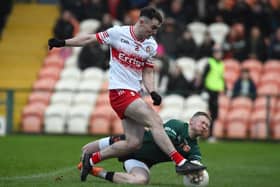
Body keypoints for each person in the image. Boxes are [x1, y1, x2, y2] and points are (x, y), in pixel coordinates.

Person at [48, 6, 205, 181]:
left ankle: (90, 160)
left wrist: (152, 91)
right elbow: (89, 39)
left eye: (157, 29)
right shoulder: (118, 33)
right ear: (142, 21)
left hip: (135, 94)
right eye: (152, 28)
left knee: (134, 143)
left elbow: (147, 71)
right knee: (156, 121)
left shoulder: (150, 45)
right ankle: (180, 162)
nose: (153, 33)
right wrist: (63, 42)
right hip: (119, 92)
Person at [78, 111, 211, 185]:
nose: (205, 126)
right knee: (85, 151)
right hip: (128, 142)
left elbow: (196, 163)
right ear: (192, 120)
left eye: (207, 126)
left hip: (140, 162)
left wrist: (197, 173)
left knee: (141, 180)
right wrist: (182, 161)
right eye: (203, 122)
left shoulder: (194, 149)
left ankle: (96, 172)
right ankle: (87, 162)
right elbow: (166, 139)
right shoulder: (177, 125)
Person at [199, 44, 226, 142]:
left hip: (216, 91)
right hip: (209, 91)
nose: (218, 54)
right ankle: (208, 135)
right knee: (210, 114)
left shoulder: (222, 64)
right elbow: (204, 77)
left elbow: (221, 78)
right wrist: (204, 90)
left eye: (219, 52)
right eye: (216, 52)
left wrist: (225, 88)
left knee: (214, 114)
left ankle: (210, 135)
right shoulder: (210, 63)